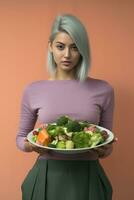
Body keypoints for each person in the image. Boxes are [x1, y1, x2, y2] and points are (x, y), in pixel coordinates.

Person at [16, 14, 115, 200]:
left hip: (88, 176)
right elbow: (21, 138)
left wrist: (105, 150)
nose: (67, 55)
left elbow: (107, 143)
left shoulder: (104, 90)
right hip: (46, 175)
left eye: (75, 47)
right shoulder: (33, 90)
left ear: (83, 50)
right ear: (50, 47)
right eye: (60, 47)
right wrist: (32, 146)